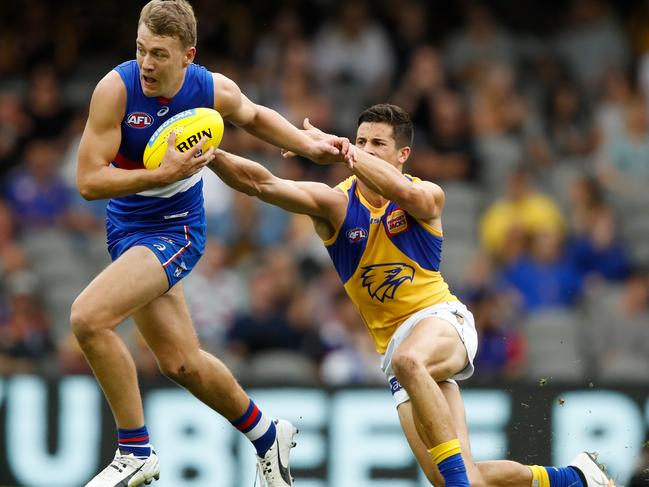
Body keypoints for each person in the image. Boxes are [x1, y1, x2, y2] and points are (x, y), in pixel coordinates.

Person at [209, 103, 615, 487]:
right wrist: (209, 152)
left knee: (412, 366)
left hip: (442, 323)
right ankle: (574, 478)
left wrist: (347, 153)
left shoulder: (427, 196)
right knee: (459, 475)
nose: (366, 149)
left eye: (377, 144)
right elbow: (260, 182)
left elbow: (405, 194)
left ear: (403, 154)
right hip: (397, 357)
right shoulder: (335, 204)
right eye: (361, 141)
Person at [73, 1, 345, 486]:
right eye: (140, 49)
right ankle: (267, 434)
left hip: (175, 229)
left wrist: (310, 147)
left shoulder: (209, 88)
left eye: (159, 53)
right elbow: (89, 182)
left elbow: (255, 116)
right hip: (126, 229)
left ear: (187, 56)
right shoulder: (115, 90)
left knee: (88, 318)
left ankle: (134, 451)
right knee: (182, 363)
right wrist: (162, 172)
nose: (147, 64)